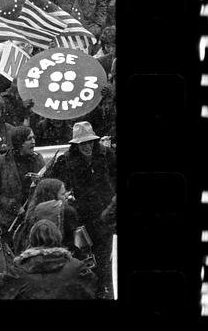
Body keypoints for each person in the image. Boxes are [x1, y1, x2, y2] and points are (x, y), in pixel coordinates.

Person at [47, 121, 116, 299]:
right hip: (80, 218)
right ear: (76, 145)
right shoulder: (65, 160)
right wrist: (68, 197)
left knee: (105, 259)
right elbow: (56, 186)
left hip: (106, 214)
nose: (87, 147)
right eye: (83, 143)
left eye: (90, 142)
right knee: (83, 257)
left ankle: (104, 290)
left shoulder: (107, 154)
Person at [0, 219, 96, 300]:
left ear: (32, 241)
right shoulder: (76, 267)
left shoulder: (17, 271)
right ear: (58, 238)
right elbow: (92, 290)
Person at [0, 126, 46, 234]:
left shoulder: (38, 159)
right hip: (9, 223)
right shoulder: (2, 162)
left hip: (34, 221)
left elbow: (46, 186)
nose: (33, 142)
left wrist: (41, 181)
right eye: (29, 139)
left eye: (34, 138)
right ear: (19, 143)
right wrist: (14, 207)